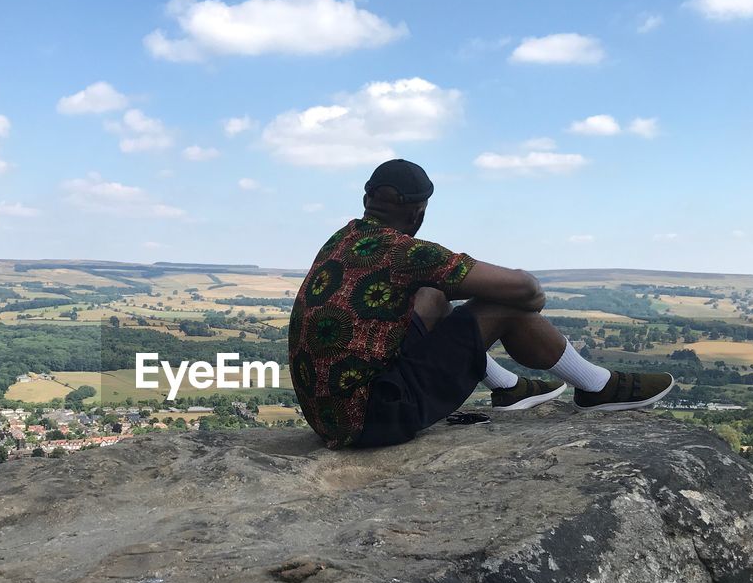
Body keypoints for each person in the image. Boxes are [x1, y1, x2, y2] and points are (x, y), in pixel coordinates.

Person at [288, 158, 675, 449]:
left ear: (366, 200)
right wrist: (512, 302)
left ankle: (508, 387)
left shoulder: (344, 238)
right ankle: (596, 387)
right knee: (504, 307)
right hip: (375, 418)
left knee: (435, 294)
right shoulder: (407, 253)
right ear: (418, 212)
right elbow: (527, 290)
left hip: (331, 416)